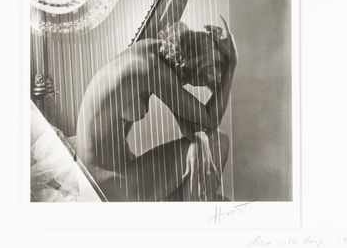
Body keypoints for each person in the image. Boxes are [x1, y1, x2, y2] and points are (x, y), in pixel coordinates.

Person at [69, 16, 238, 201]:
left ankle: (195, 204)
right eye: (191, 81)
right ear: (187, 67)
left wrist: (199, 139)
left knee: (207, 145)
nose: (185, 84)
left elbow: (188, 123)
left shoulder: (153, 49)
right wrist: (232, 64)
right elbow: (210, 120)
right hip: (105, 185)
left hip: (102, 174)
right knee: (218, 142)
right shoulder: (151, 69)